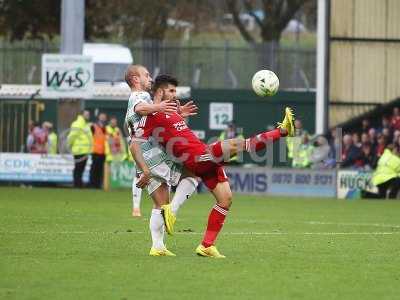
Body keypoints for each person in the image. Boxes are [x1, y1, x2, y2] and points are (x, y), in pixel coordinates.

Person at [132, 74, 295, 258]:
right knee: (238, 144)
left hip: (203, 155)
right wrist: (144, 169)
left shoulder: (172, 111)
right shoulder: (150, 115)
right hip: (198, 157)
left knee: (225, 199)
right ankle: (282, 131)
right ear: (160, 91)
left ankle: (207, 246)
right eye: (171, 91)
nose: (175, 94)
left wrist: (179, 114)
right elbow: (135, 142)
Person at [124, 64, 199, 256]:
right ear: (135, 80)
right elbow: (140, 108)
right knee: (192, 172)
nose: (150, 79)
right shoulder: (139, 96)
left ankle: (158, 246)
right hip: (152, 155)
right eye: (146, 75)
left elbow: (151, 117)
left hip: (145, 155)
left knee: (161, 204)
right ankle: (171, 212)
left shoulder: (146, 99)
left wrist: (175, 113)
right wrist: (158, 106)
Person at [67, 110, 92, 188]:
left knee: (80, 169)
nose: (88, 115)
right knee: (78, 168)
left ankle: (78, 184)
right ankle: (77, 184)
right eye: (87, 114)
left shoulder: (85, 124)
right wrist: (69, 146)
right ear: (82, 115)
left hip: (85, 151)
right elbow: (72, 136)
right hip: (79, 150)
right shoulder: (78, 124)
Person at [90, 113, 107, 189]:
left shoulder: (106, 128)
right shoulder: (93, 126)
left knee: (100, 170)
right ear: (98, 118)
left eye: (104, 117)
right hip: (95, 151)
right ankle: (92, 184)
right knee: (94, 169)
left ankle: (98, 185)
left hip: (103, 152)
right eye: (101, 117)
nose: (103, 118)